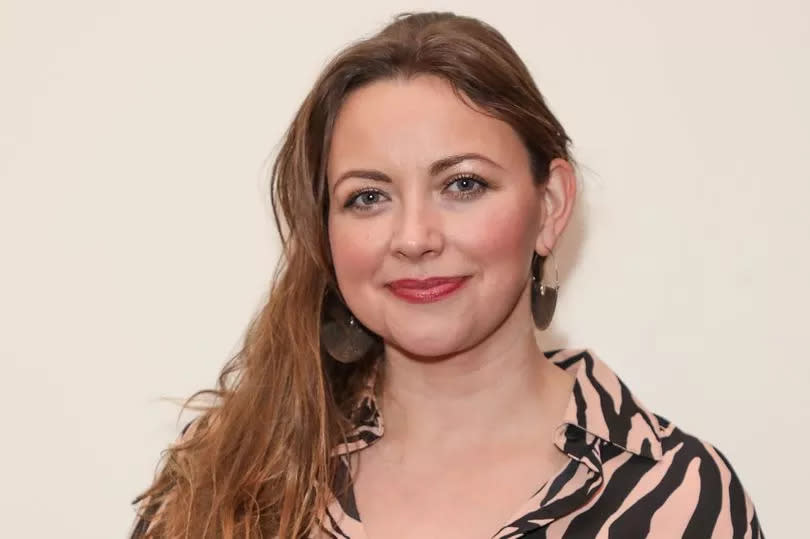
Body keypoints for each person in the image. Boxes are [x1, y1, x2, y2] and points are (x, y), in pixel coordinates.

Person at [130, 11, 764, 539]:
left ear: (550, 207)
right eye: (368, 197)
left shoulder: (678, 498)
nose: (413, 238)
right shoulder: (228, 472)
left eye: (463, 184)